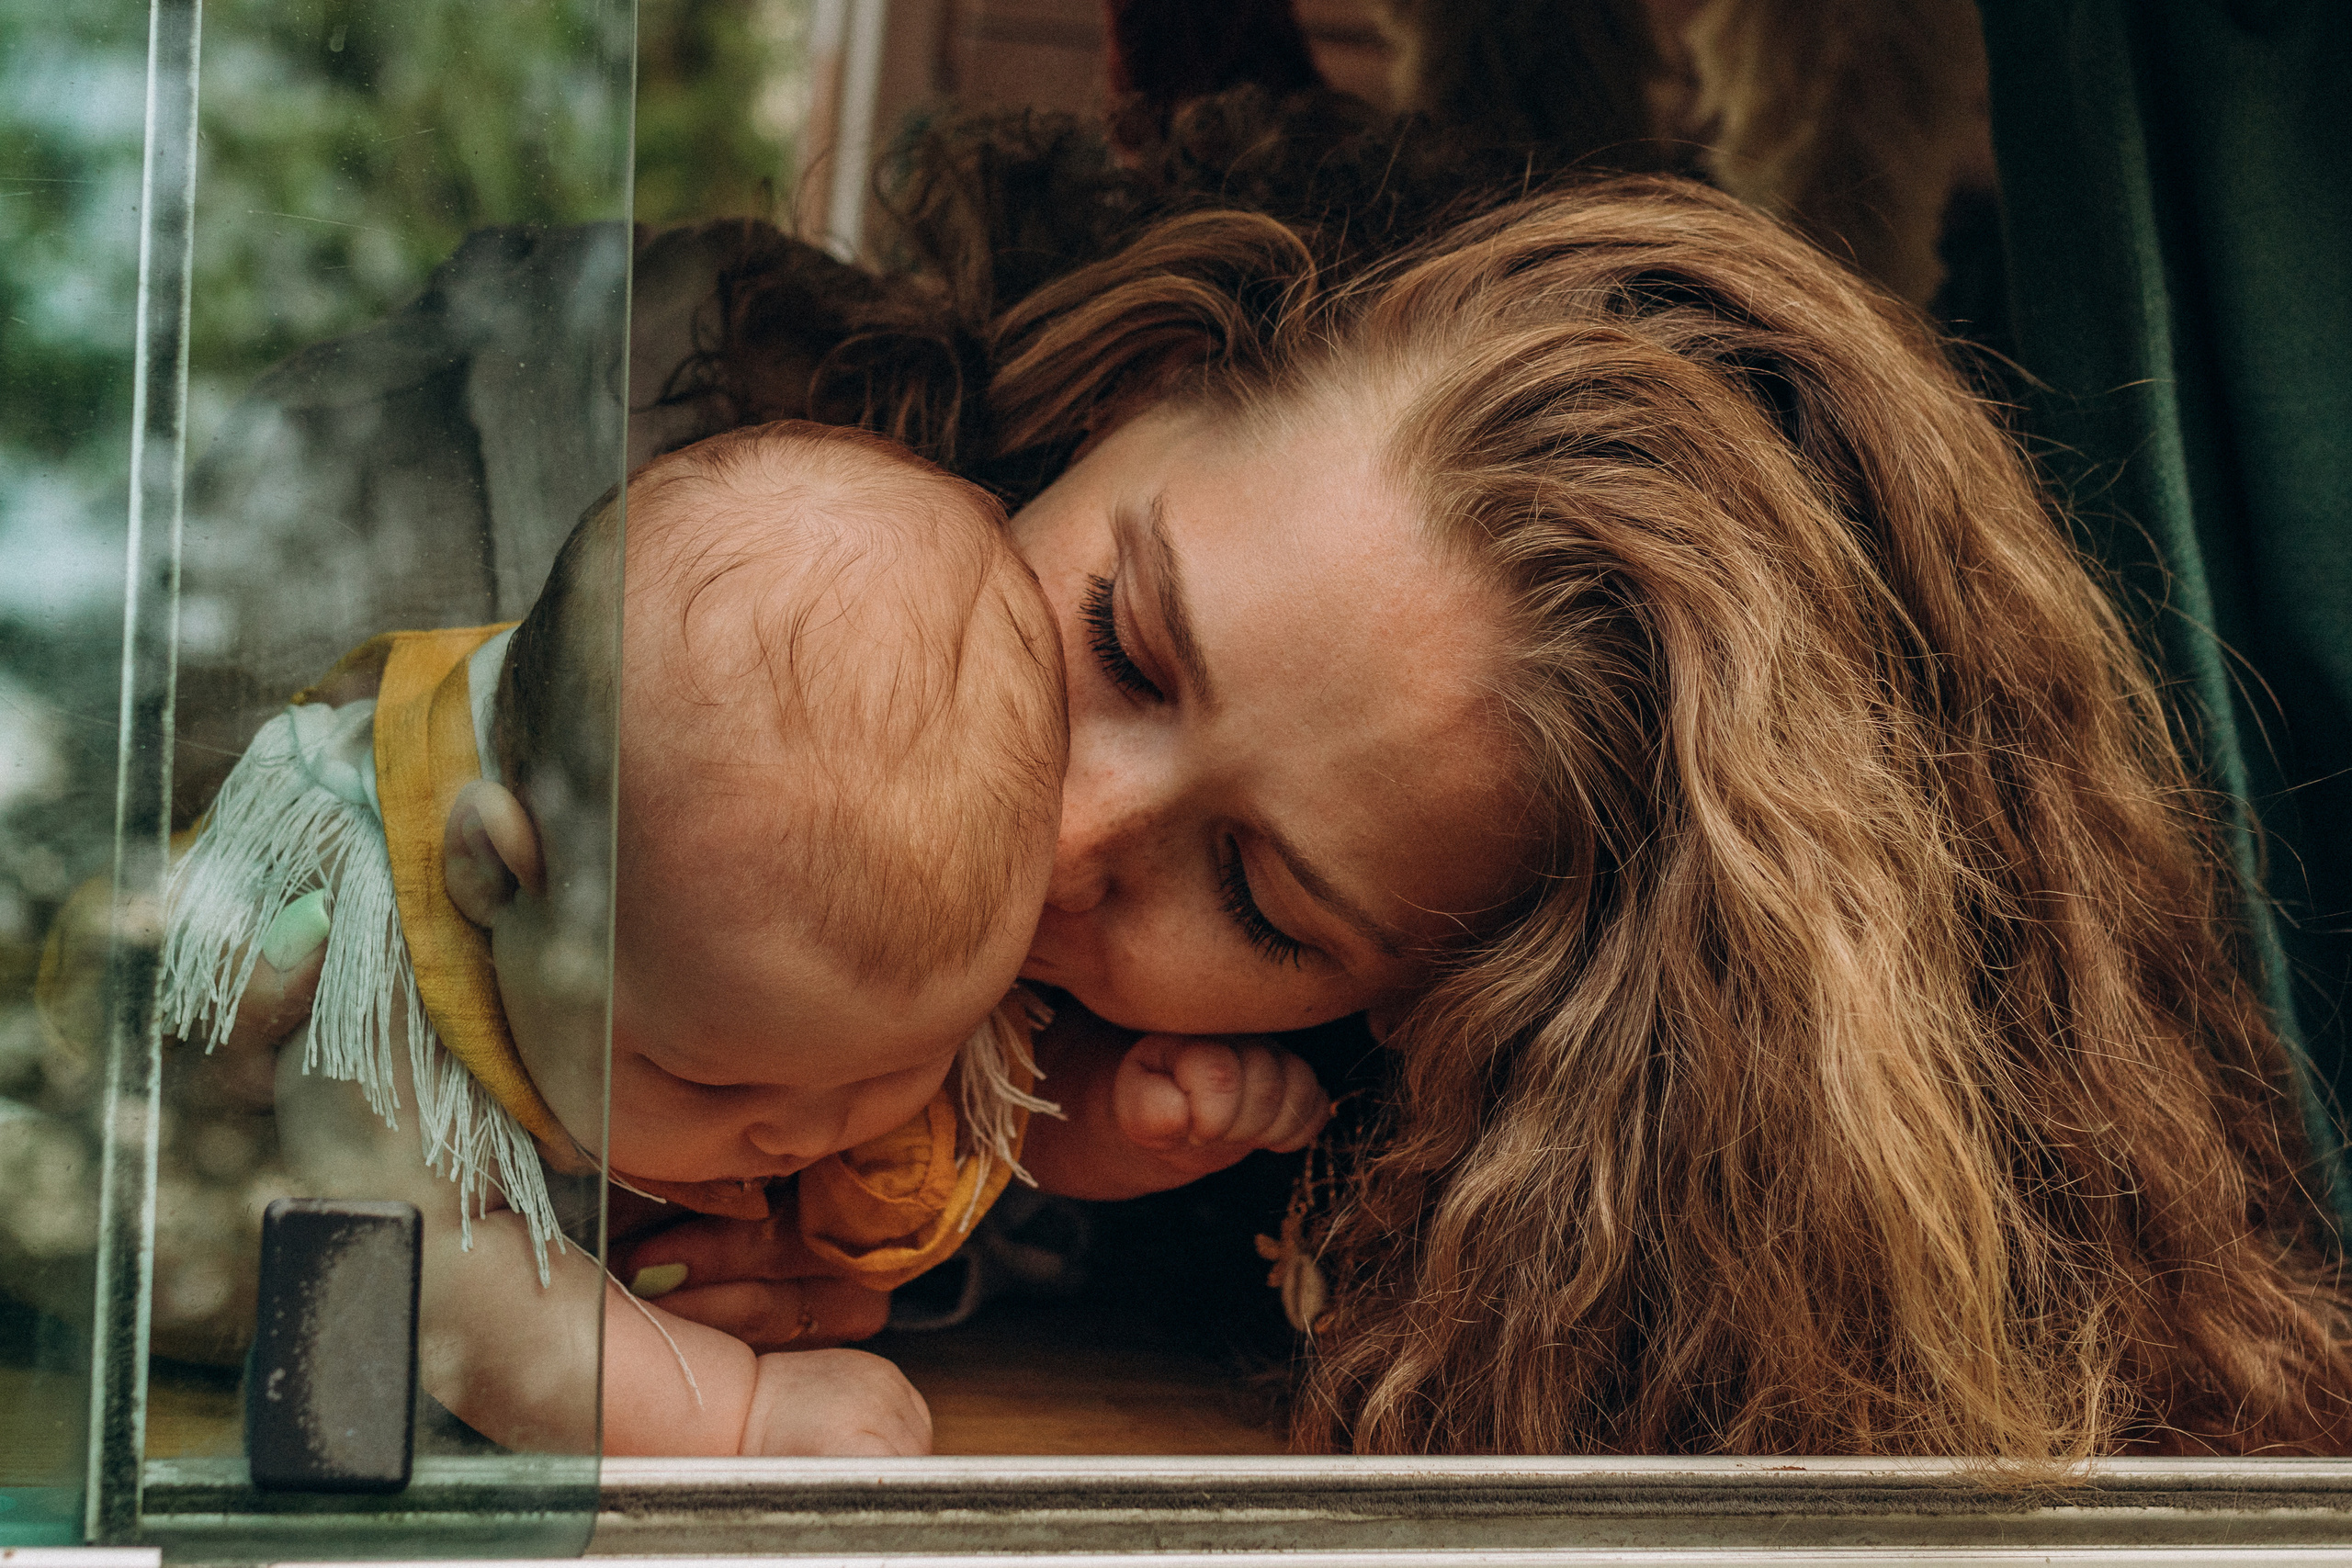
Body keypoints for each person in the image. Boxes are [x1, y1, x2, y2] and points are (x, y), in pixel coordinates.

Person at [624, 164, 2352, 1458]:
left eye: (1260, 902)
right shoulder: (638, 492)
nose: (1057, 840)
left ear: (1428, 1020)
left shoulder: (1276, 1193)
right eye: (1124, 649)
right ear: (1128, 397)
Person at [146, 419, 1330, 1455]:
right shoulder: (383, 960)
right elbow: (434, 1299)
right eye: (714, 1074)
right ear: (498, 876)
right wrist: (736, 1415)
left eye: (891, 1070)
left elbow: (967, 1137)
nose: (806, 1132)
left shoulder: (726, 951)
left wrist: (1112, 1131)